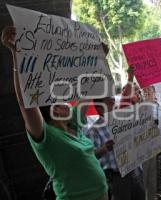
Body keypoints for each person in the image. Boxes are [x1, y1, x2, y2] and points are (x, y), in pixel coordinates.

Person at [1, 26, 108, 200]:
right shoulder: (46, 137)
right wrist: (16, 54)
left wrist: (98, 60)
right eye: (58, 104)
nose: (66, 103)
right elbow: (25, 103)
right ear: (50, 113)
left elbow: (87, 88)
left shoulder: (74, 123)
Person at [87, 97, 145, 200]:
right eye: (110, 102)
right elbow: (90, 157)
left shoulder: (125, 121)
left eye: (114, 101)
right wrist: (105, 148)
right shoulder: (94, 131)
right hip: (117, 178)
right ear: (100, 109)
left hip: (135, 171)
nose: (115, 104)